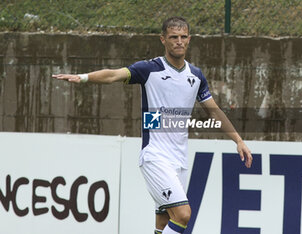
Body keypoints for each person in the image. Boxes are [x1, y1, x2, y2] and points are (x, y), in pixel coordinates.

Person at [52, 16, 252, 234]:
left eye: (183, 37)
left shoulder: (195, 76)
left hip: (179, 161)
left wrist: (238, 140)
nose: (179, 41)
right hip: (155, 156)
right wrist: (82, 77)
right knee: (183, 214)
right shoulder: (149, 69)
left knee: (164, 224)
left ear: (189, 39)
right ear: (163, 39)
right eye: (173, 37)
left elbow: (213, 110)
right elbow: (113, 75)